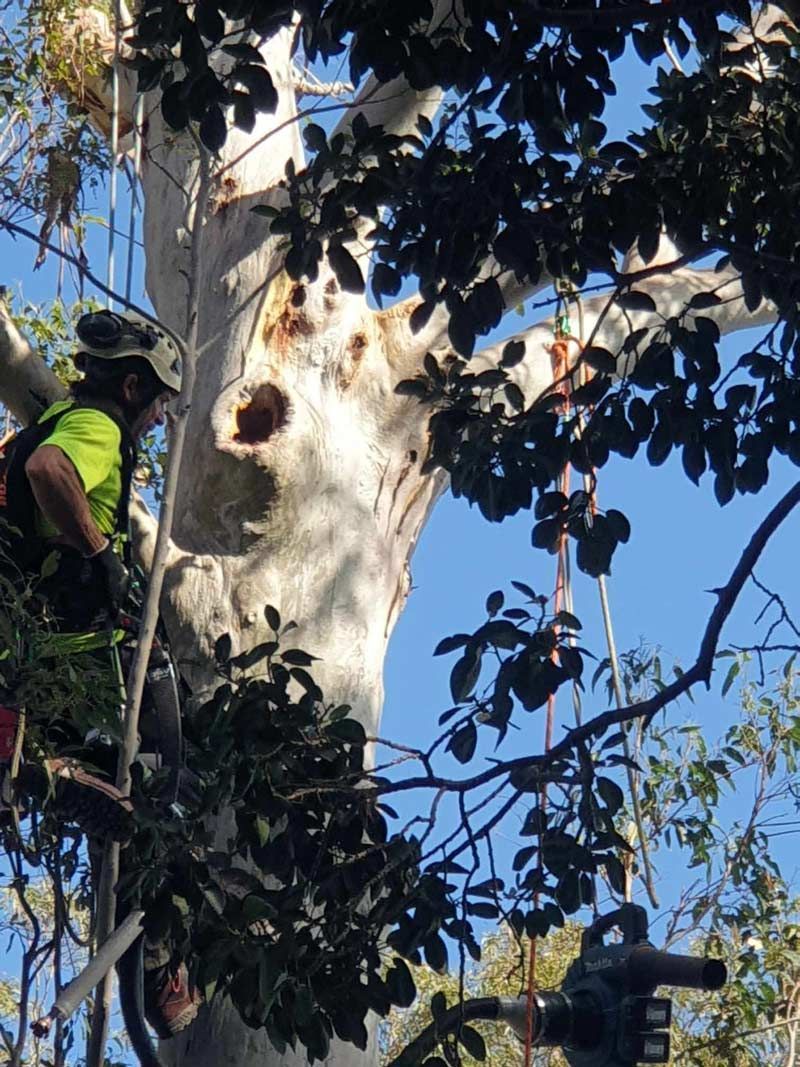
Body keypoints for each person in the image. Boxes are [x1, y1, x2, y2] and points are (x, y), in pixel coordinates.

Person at [2, 309, 200, 1037]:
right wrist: (101, 555)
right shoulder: (94, 427)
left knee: (62, 773)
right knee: (165, 785)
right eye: (155, 408)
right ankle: (164, 970)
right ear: (131, 387)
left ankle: (46, 769)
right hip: (71, 644)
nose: (153, 423)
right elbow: (50, 473)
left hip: (25, 649)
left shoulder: (43, 419)